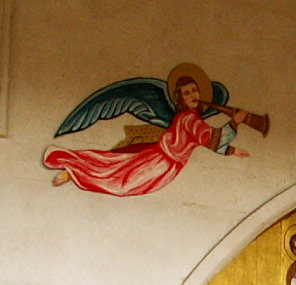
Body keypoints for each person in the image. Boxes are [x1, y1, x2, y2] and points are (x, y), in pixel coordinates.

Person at [46, 74, 258, 195]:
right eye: (187, 92)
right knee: (121, 183)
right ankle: (73, 172)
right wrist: (235, 122)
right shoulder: (189, 119)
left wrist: (232, 150)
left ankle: (72, 168)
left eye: (195, 90)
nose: (193, 95)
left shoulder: (193, 119)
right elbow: (213, 138)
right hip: (160, 162)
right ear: (179, 99)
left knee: (115, 168)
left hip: (167, 164)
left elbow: (208, 142)